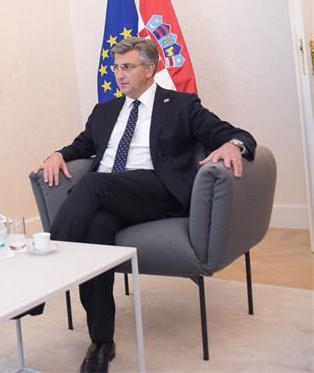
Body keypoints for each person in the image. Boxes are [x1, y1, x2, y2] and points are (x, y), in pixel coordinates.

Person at [34, 37, 255, 373]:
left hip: (156, 191)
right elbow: (81, 146)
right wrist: (57, 154)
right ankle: (101, 341)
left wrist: (233, 145)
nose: (119, 74)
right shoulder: (104, 111)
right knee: (95, 230)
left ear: (150, 69)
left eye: (128, 67)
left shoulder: (181, 105)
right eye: (116, 67)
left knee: (91, 184)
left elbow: (235, 133)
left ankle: (41, 278)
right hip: (109, 195)